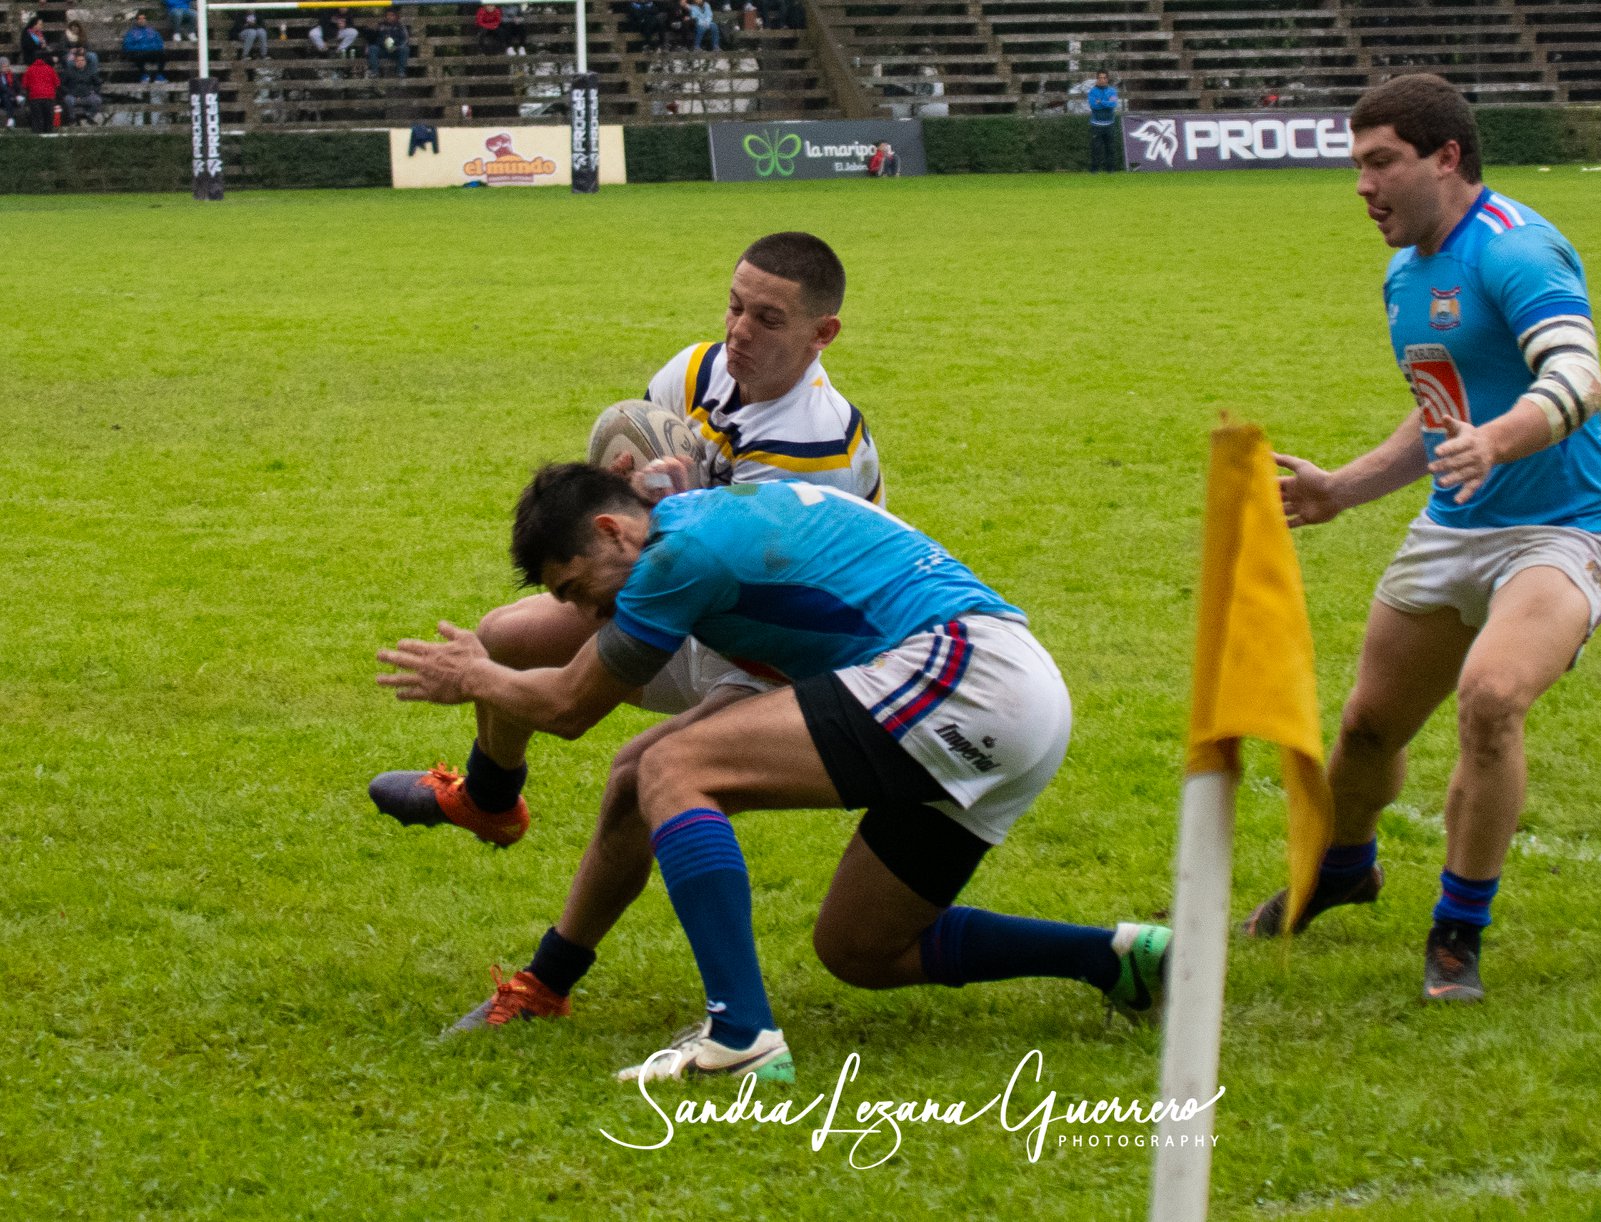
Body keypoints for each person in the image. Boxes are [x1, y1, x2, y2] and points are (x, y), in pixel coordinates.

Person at [377, 465, 1172, 1081]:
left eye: (577, 589)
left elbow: (573, 708)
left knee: (673, 766)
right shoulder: (692, 523)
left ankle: (740, 1036)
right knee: (861, 948)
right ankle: (1114, 957)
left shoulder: (675, 556)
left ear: (614, 532)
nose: (584, 612)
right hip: (1016, 699)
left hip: (960, 673)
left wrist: (477, 677)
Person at [1240, 74, 1601, 1004]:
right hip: (1454, 524)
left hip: (1562, 530)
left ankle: (1458, 930)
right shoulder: (1405, 271)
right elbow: (1437, 417)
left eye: (1381, 163)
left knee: (1490, 700)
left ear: (1445, 158)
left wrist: (1497, 439)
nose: (1363, 188)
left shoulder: (1517, 252)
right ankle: (1342, 869)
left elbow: (1578, 374)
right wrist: (1344, 488)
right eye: (1357, 167)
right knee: (1368, 729)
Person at [368, 232, 885, 850]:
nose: (740, 330)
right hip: (695, 603)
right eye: (735, 306)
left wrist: (668, 510)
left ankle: (565, 949)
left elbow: (726, 582)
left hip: (779, 659)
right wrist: (620, 489)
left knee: (638, 779)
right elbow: (632, 509)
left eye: (768, 319)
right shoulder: (697, 368)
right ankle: (488, 800)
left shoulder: (810, 446)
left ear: (822, 334)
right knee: (503, 635)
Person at [1087, 69, 1120, 172]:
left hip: (1109, 124)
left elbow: (1113, 104)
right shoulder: (1092, 91)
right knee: (1096, 149)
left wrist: (1101, 102)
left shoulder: (1112, 91)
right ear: (1097, 79)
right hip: (1096, 124)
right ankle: (1094, 170)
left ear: (1107, 79)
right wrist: (1106, 103)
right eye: (1100, 78)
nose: (1102, 80)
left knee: (1110, 148)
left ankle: (1110, 170)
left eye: (1104, 78)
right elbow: (1094, 106)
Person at [60, 46, 101, 124]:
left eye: (82, 60)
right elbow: (61, 84)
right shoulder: (68, 71)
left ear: (85, 62)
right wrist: (69, 92)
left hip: (87, 95)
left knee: (97, 100)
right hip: (73, 95)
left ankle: (89, 116)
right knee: (68, 100)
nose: (80, 62)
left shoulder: (91, 71)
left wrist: (93, 91)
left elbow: (98, 83)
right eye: (78, 60)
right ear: (75, 62)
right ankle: (72, 118)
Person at [122, 15, 168, 82]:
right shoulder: (131, 33)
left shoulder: (153, 31)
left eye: (144, 18)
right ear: (136, 21)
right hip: (139, 54)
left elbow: (160, 44)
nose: (142, 20)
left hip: (151, 53)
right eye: (139, 19)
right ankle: (144, 75)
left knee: (162, 55)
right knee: (137, 56)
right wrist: (142, 48)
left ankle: (159, 75)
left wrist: (150, 48)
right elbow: (127, 46)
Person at [366, 8, 410, 78]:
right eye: (387, 15)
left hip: (395, 50)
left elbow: (405, 40)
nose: (389, 17)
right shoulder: (380, 26)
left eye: (392, 15)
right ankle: (375, 72)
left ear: (396, 17)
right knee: (372, 48)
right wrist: (369, 29)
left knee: (405, 49)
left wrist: (396, 46)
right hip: (382, 50)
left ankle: (400, 72)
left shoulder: (401, 26)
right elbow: (372, 39)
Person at [22, 54, 57, 134]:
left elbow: (24, 84)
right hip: (49, 97)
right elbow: (57, 83)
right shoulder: (50, 69)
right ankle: (49, 133)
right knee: (48, 117)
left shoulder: (30, 69)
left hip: (35, 97)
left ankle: (37, 134)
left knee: (37, 117)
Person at [0, 58, 24, 127]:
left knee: (8, 98)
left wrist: (19, 94)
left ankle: (11, 119)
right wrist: (15, 96)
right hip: (2, 98)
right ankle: (11, 119)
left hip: (10, 99)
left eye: (7, 66)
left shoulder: (12, 76)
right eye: (4, 66)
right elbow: (2, 88)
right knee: (5, 95)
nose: (6, 68)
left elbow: (18, 87)